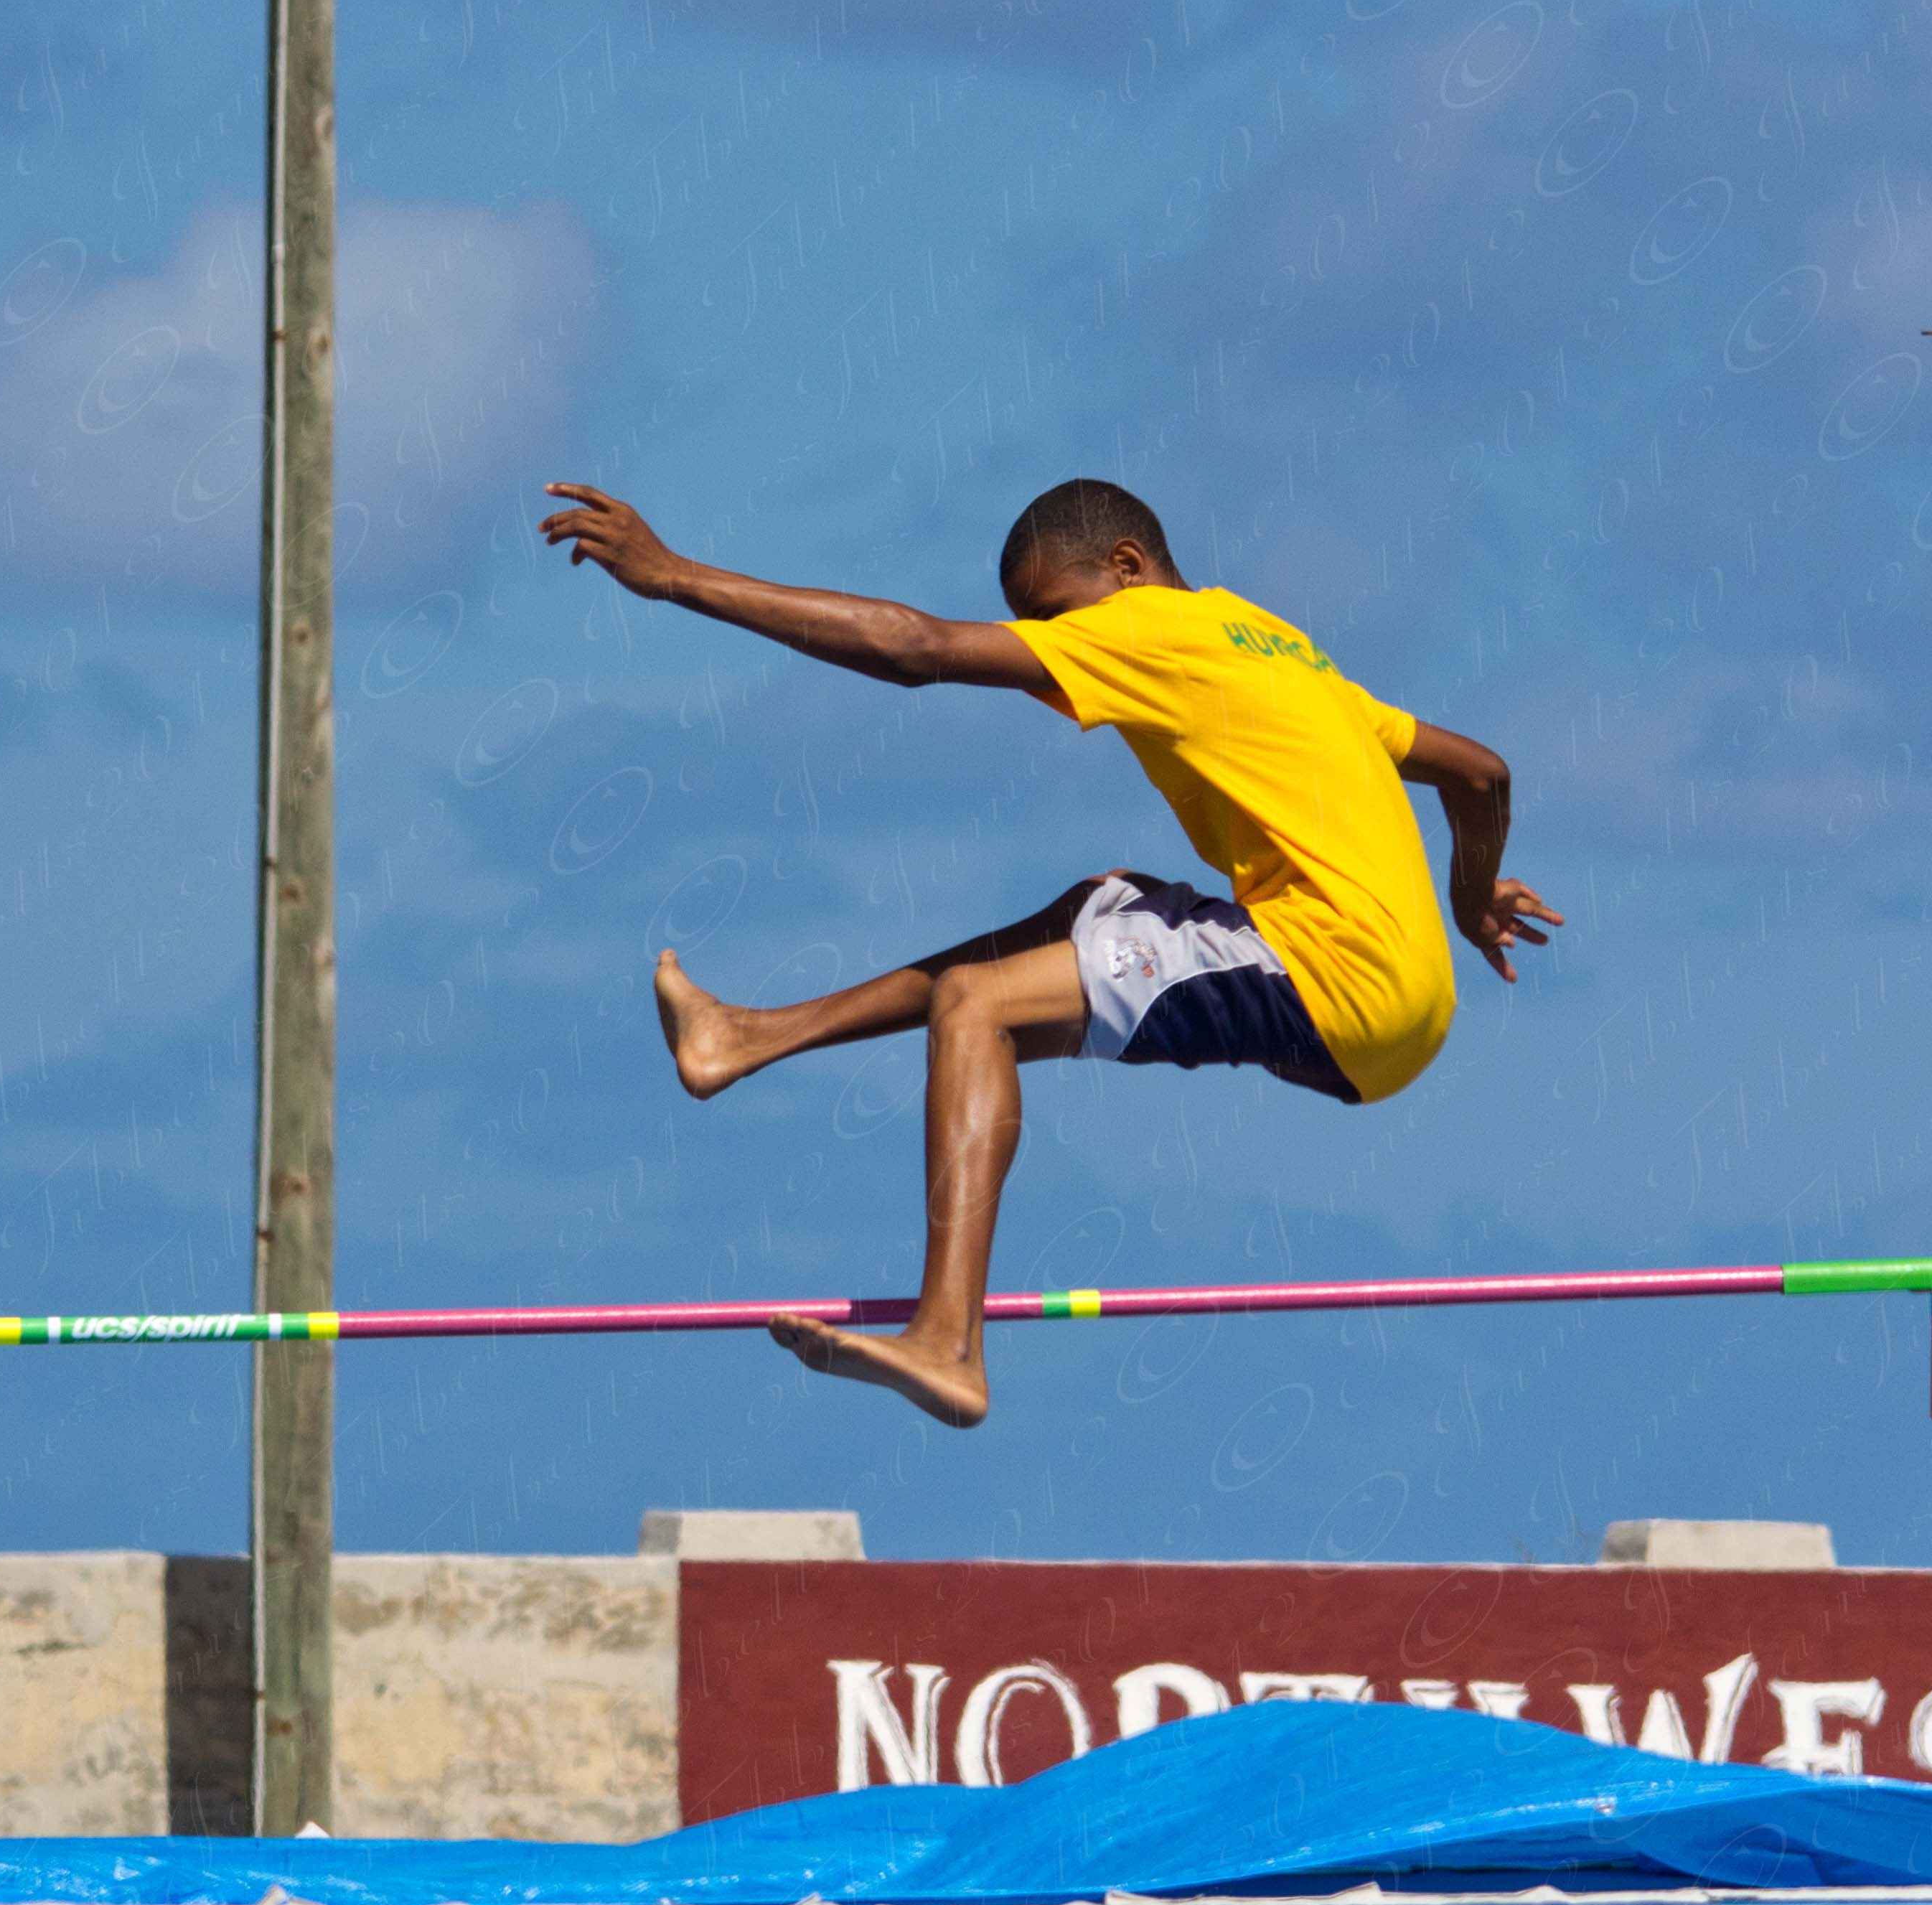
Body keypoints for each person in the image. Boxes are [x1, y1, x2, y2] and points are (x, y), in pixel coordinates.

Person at [534, 475, 1560, 1428]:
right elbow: (1480, 775)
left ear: (1126, 566)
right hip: (1404, 1002)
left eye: (1055, 618)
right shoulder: (1275, 643)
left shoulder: (1150, 626)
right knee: (1095, 907)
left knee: (976, 1005)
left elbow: (915, 647)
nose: (1047, 649)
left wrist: (674, 576)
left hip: (1338, 982)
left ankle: (948, 1342)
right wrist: (1471, 899)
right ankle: (748, 1037)